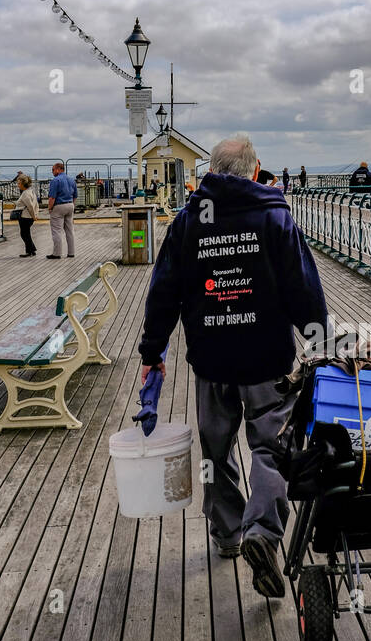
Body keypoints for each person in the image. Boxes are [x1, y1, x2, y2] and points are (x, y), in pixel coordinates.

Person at [138, 134, 327, 598]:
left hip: (213, 358)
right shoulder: (274, 215)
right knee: (270, 448)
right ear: (255, 168)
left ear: (212, 169)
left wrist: (151, 354)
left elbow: (164, 290)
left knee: (216, 451)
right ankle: (262, 531)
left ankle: (227, 535)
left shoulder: (190, 219)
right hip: (267, 358)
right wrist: (321, 342)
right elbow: (302, 288)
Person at [46, 162, 77, 259]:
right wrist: (71, 204)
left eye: (53, 170)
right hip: (70, 205)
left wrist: (50, 208)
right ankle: (71, 253)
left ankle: (57, 253)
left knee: (57, 231)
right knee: (70, 230)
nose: (52, 172)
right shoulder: (72, 180)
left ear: (59, 169)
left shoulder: (55, 180)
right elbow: (75, 196)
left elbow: (52, 198)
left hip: (59, 206)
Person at [13, 173, 39, 256]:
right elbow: (36, 204)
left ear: (23, 184)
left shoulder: (25, 194)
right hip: (29, 217)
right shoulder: (31, 191)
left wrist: (34, 216)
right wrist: (36, 214)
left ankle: (30, 250)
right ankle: (31, 250)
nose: (18, 185)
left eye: (19, 183)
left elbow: (30, 206)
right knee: (26, 233)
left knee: (24, 234)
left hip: (25, 216)